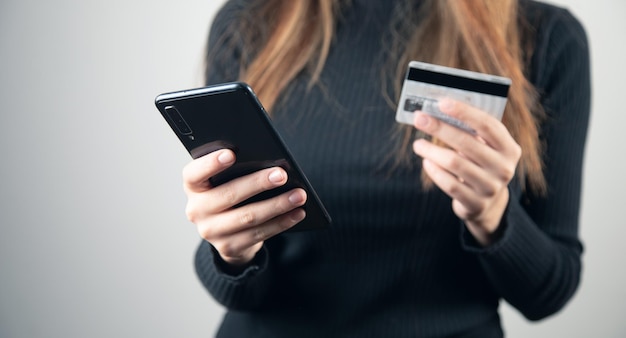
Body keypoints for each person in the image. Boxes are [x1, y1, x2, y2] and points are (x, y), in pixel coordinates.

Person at [182, 0, 590, 336]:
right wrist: (230, 252)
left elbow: (547, 293)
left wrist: (493, 217)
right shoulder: (250, 22)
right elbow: (234, 286)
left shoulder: (545, 37)